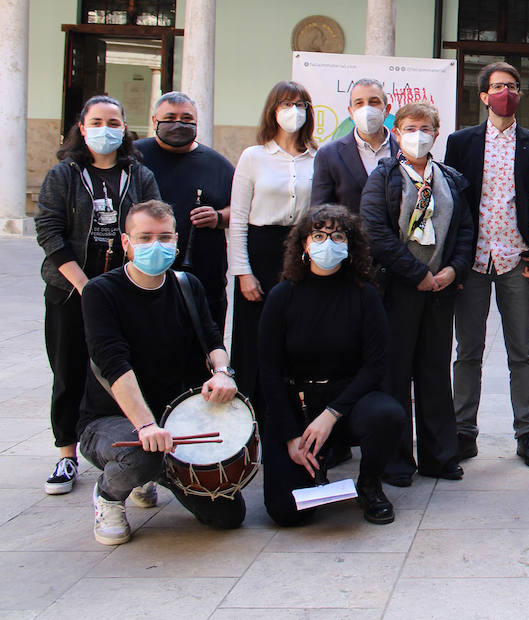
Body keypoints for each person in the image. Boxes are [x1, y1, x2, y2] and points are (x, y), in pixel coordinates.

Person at [79, 200, 244, 545]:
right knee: (142, 453)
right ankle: (110, 495)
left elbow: (212, 339)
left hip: (174, 419)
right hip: (112, 420)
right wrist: (145, 425)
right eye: (145, 237)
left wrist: (222, 372)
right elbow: (114, 366)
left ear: (177, 239)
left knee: (227, 516)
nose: (156, 245)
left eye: (165, 236)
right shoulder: (100, 292)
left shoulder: (187, 285)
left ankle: (153, 471)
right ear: (126, 243)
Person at [36, 94, 160, 496]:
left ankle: (137, 451)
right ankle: (66, 454)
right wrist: (84, 285)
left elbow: (153, 221)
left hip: (123, 292)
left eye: (114, 122)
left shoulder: (137, 174)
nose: (105, 130)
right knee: (69, 370)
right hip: (71, 292)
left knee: (126, 369)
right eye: (97, 122)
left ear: (125, 128)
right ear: (82, 127)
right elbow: (50, 231)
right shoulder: (65, 174)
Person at [258, 204, 406, 526]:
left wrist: (332, 414)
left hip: (347, 401)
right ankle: (314, 465)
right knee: (287, 514)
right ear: (304, 244)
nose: (328, 242)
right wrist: (290, 436)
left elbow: (375, 366)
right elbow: (268, 370)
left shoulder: (365, 295)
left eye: (338, 236)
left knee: (388, 414)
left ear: (350, 246)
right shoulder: (282, 296)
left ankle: (369, 484)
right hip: (296, 404)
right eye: (319, 235)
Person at [444, 62, 529, 469]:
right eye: (497, 86)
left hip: (516, 258)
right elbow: (451, 205)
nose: (505, 92)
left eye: (512, 86)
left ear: (520, 94)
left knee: (521, 351)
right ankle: (463, 433)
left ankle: (527, 433)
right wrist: (451, 263)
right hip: (472, 260)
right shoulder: (460, 143)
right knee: (468, 351)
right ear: (483, 95)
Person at [362, 101, 474, 486]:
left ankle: (439, 455)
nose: (418, 135)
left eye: (425, 128)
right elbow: (375, 233)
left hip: (440, 291)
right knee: (395, 374)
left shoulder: (452, 179)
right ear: (397, 132)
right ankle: (395, 460)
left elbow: (465, 232)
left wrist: (451, 270)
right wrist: (416, 275)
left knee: (434, 373)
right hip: (397, 290)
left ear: (436, 134)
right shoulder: (384, 178)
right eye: (410, 128)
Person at [228, 81, 318, 410]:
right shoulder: (253, 157)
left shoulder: (317, 156)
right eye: (286, 105)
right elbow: (237, 219)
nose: (294, 112)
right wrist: (243, 273)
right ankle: (250, 418)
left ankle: (288, 416)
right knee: (254, 339)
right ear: (273, 111)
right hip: (260, 248)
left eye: (300, 105)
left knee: (293, 337)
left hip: (299, 252)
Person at [133, 91, 235, 332]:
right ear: (154, 120)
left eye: (186, 118)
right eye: (170, 117)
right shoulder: (133, 157)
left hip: (203, 274)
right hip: (143, 273)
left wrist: (219, 217)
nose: (178, 124)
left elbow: (242, 207)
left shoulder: (218, 164)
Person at [311, 78, 398, 213]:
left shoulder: (403, 150)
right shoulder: (329, 155)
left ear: (387, 110)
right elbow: (320, 212)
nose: (367, 108)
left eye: (374, 102)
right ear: (351, 112)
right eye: (359, 103)